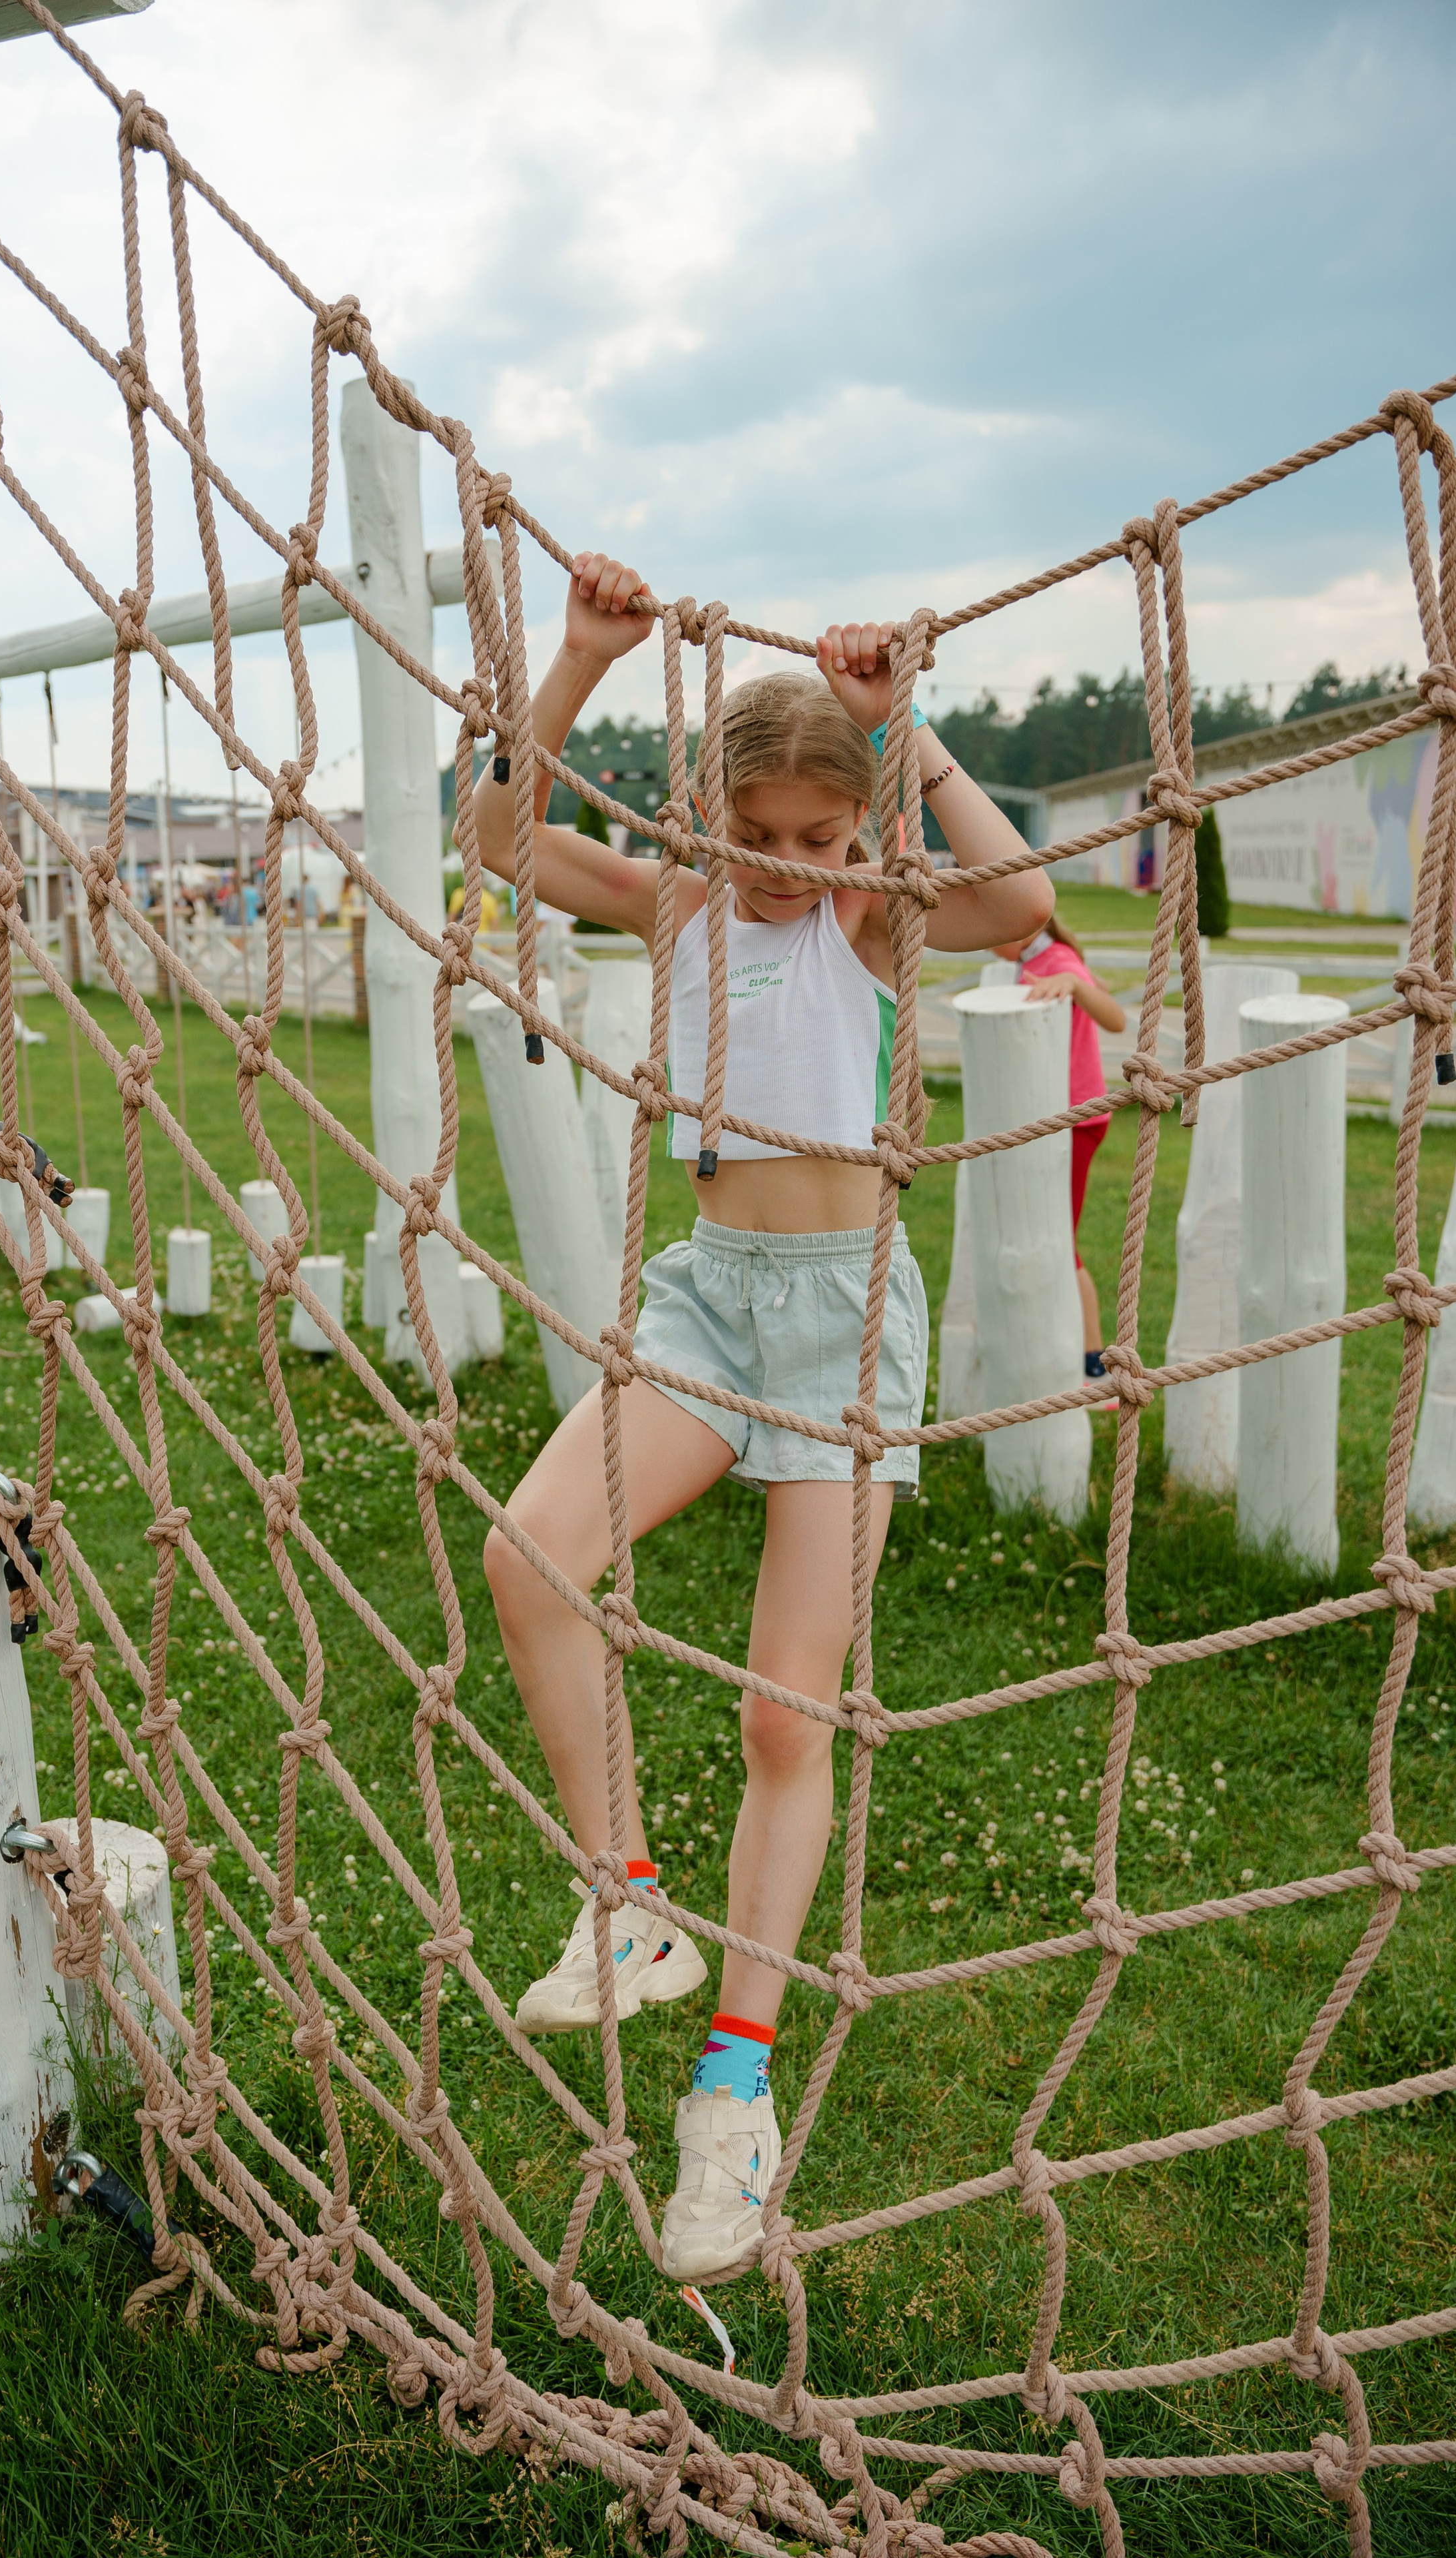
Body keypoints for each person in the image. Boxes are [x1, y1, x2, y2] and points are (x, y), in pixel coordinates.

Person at [468, 555, 1054, 2281]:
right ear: (709, 815)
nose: (792, 871)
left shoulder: (876, 911)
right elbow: (498, 842)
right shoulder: (678, 905)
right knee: (530, 1557)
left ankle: (734, 2094)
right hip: (712, 1302)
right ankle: (626, 1902)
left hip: (852, 1331)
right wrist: (579, 657)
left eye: (821, 836)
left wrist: (905, 734)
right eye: (765, 836)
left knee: (789, 1724)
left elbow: (1019, 908)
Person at [990, 919, 1126, 1379]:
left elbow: (1116, 1018)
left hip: (1078, 1120)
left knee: (1062, 1242)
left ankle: (1095, 1363)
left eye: (996, 929)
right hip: (1053, 1117)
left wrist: (1075, 982)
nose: (988, 941)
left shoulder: (1058, 962)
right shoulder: (1038, 958)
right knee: (1048, 1234)